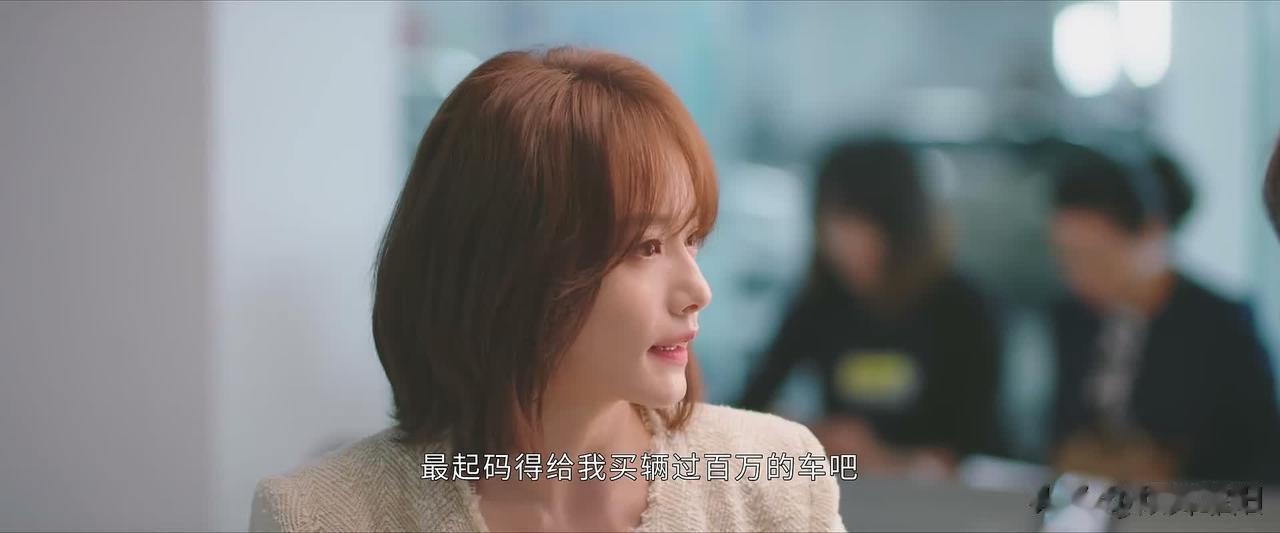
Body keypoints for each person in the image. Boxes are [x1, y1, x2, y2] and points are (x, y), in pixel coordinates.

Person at [248, 47, 846, 532]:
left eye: (692, 240)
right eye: (646, 247)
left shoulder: (774, 480)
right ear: (512, 265)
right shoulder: (321, 515)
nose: (698, 290)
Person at [737, 138, 1003, 479]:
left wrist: (886, 457)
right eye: (833, 221)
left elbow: (978, 440)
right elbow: (749, 403)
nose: (842, 240)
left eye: (859, 222)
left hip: (940, 496)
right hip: (849, 489)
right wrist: (807, 432)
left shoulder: (961, 308)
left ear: (900, 225)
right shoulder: (820, 303)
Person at [1048, 144, 1280, 483]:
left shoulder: (1221, 324)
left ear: (1151, 233)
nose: (1078, 277)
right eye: (1066, 257)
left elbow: (1260, 454)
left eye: (1096, 258)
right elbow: (1057, 431)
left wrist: (1170, 467)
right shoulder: (1072, 317)